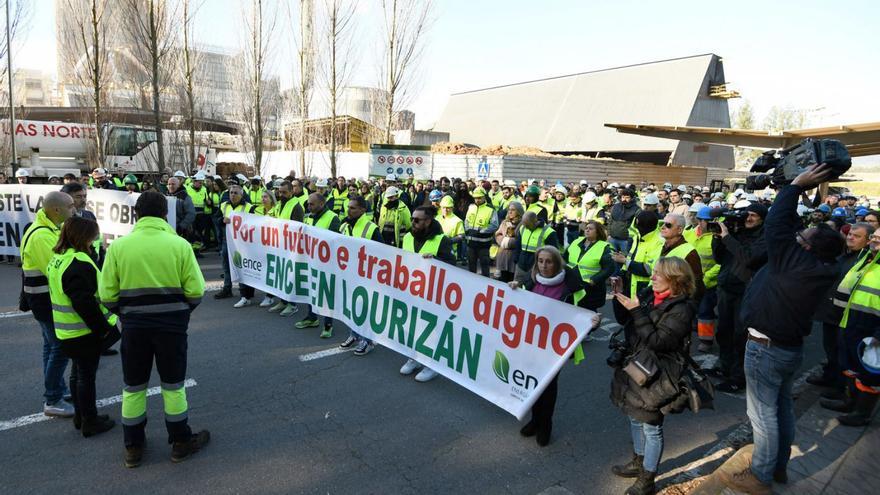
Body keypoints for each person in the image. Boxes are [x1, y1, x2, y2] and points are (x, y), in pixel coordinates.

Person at [719, 164, 845, 494]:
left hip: (765, 348)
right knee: (783, 409)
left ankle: (760, 476)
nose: (797, 235)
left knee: (762, 416)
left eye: (802, 237)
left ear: (805, 247)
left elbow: (776, 224)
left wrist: (794, 187)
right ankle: (778, 466)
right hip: (788, 348)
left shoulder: (792, 259)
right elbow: (790, 228)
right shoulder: (823, 265)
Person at [99, 191, 209, 468]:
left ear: (137, 213)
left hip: (134, 327)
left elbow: (107, 295)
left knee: (133, 387)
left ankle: (133, 447)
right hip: (172, 327)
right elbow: (196, 290)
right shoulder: (179, 245)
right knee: (173, 386)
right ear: (164, 214)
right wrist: (180, 313)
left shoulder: (119, 247)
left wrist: (128, 314)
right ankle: (181, 442)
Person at [610, 257, 696, 495]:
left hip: (658, 373)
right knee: (634, 415)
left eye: (658, 274)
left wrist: (637, 311)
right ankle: (638, 461)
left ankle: (648, 478)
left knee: (651, 426)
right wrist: (620, 298)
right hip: (638, 365)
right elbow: (626, 321)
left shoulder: (682, 308)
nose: (652, 277)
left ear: (675, 279)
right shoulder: (650, 293)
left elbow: (659, 341)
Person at [509, 245, 591, 447]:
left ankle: (546, 425)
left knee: (548, 386)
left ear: (558, 263)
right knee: (532, 383)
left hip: (554, 346)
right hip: (531, 341)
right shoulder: (530, 282)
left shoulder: (570, 288)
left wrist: (591, 321)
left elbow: (583, 313)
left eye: (549, 261)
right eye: (540, 261)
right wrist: (513, 288)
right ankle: (535, 421)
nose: (544, 266)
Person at [47, 216, 118, 437]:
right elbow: (84, 303)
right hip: (83, 332)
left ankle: (81, 416)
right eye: (92, 236)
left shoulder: (60, 258)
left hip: (67, 330)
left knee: (77, 374)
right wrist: (103, 328)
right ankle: (90, 420)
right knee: (86, 376)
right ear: (82, 236)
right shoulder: (78, 262)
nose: (94, 240)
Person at [21, 191, 77, 417]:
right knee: (60, 348)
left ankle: (57, 390)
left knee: (50, 346)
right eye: (71, 206)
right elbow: (56, 269)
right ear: (56, 210)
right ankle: (52, 399)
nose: (74, 209)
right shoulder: (42, 235)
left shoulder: (48, 229)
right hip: (44, 300)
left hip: (41, 299)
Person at [823, 228, 880, 427]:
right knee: (851, 367)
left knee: (870, 375)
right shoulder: (868, 260)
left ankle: (862, 413)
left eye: (879, 239)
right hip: (853, 323)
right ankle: (849, 402)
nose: (875, 241)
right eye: (874, 237)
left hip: (872, 331)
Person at [710, 202, 768, 393]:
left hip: (746, 292)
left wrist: (728, 238)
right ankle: (724, 367)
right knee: (724, 331)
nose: (748, 219)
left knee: (739, 335)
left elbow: (749, 258)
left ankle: (738, 377)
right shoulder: (738, 232)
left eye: (753, 216)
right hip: (726, 288)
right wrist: (719, 238)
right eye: (746, 215)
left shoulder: (764, 237)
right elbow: (719, 258)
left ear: (762, 218)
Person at [810, 223, 873, 393]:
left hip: (845, 317)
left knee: (842, 355)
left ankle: (840, 387)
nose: (850, 237)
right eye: (850, 234)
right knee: (831, 350)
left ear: (868, 241)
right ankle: (830, 377)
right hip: (831, 313)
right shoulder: (844, 255)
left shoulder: (864, 261)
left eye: (857, 236)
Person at [399, 206, 456, 383]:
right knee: (412, 325)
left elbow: (453, 266)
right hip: (411, 289)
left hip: (433, 292)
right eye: (412, 219)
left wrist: (436, 261)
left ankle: (432, 364)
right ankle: (415, 357)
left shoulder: (441, 240)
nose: (413, 223)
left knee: (431, 329)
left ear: (428, 221)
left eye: (417, 220)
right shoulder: (407, 237)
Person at [339, 195, 383, 355]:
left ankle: (368, 340)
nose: (348, 210)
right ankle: (354, 335)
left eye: (352, 208)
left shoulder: (371, 228)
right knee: (351, 306)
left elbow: (382, 252)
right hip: (349, 273)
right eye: (348, 207)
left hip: (366, 276)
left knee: (365, 309)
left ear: (362, 210)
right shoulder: (344, 225)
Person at [295, 193, 341, 338]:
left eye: (311, 204)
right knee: (310, 289)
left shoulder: (332, 218)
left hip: (326, 263)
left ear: (321, 204)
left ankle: (328, 325)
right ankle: (312, 317)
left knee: (326, 294)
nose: (308, 206)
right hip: (310, 259)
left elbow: (335, 241)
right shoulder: (308, 216)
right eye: (308, 204)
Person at [684, 206, 721, 352]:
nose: (707, 223)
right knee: (689, 306)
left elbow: (721, 263)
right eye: (705, 220)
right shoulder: (689, 234)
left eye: (710, 220)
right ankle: (693, 324)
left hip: (708, 283)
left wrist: (706, 278)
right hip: (689, 281)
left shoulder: (717, 237)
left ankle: (706, 341)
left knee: (705, 311)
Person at [213, 183, 257, 303]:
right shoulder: (223, 205)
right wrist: (222, 220)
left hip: (242, 243)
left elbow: (254, 225)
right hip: (227, 241)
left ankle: (245, 292)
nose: (232, 195)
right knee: (226, 266)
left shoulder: (249, 207)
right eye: (231, 193)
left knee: (241, 266)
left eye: (235, 193)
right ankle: (227, 289)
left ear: (241, 195)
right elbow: (216, 219)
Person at [564, 220, 614, 311]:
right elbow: (564, 258)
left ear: (598, 232)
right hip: (572, 284)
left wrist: (594, 280)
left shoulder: (604, 247)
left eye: (590, 229)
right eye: (586, 228)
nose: (587, 230)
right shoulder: (576, 241)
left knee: (587, 314)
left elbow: (609, 268)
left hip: (590, 288)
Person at [512, 211, 558, 285]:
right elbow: (518, 245)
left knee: (532, 288)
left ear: (535, 222)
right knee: (516, 286)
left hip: (535, 267)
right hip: (521, 265)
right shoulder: (523, 228)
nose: (525, 227)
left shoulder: (548, 232)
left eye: (527, 225)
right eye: (524, 224)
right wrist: (516, 259)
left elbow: (553, 253)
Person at [464, 187, 499, 277]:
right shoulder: (471, 207)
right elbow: (466, 221)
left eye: (479, 197)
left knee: (484, 267)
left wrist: (481, 231)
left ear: (484, 197)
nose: (477, 200)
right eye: (475, 198)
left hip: (484, 244)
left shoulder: (490, 209)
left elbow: (494, 225)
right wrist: (467, 229)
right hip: (471, 243)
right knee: (471, 267)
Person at [494, 202, 524, 282]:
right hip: (503, 257)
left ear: (519, 211)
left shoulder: (522, 224)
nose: (510, 212)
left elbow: (521, 240)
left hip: (514, 258)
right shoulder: (504, 222)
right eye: (509, 210)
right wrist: (503, 241)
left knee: (512, 281)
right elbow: (498, 234)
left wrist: (509, 242)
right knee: (502, 282)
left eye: (513, 210)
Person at [608, 189, 641, 256]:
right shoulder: (616, 206)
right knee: (611, 258)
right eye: (623, 197)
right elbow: (610, 220)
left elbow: (637, 226)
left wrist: (630, 240)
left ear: (632, 198)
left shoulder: (637, 209)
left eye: (627, 197)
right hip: (612, 238)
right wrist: (609, 234)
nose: (624, 199)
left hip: (626, 241)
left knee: (625, 260)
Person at [166, 176, 196, 245]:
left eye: (173, 184)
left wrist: (181, 226)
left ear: (178, 185)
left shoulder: (184, 196)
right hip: (168, 228)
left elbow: (191, 214)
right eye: (169, 184)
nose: (171, 186)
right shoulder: (165, 195)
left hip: (182, 230)